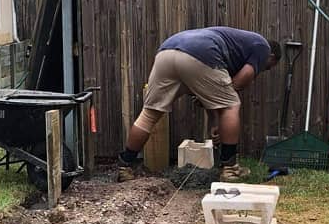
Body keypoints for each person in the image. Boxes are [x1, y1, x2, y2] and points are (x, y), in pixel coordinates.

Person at [117, 26, 281, 182]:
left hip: (167, 51)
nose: (263, 69)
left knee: (149, 114)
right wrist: (221, 102)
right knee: (232, 105)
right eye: (268, 67)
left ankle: (125, 166)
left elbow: (214, 95)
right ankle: (230, 168)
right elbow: (241, 80)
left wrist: (215, 122)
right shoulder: (263, 46)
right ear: (272, 57)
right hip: (201, 52)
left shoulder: (236, 45)